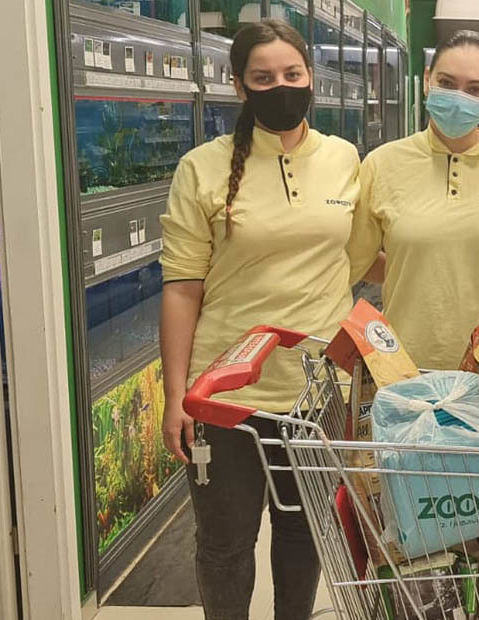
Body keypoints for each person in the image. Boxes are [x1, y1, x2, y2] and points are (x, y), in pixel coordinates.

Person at [159, 20, 360, 620]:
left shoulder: (346, 159)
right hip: (226, 392)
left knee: (305, 536)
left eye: (292, 74)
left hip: (320, 389)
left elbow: (364, 251)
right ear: (240, 87)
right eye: (263, 77)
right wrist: (177, 397)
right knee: (224, 545)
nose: (281, 86)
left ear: (311, 79)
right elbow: (181, 289)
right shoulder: (202, 168)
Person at [347, 31, 479, 370]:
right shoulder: (383, 164)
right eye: (447, 82)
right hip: (405, 366)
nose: (459, 97)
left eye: (474, 89)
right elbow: (356, 260)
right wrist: (417, 267)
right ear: (427, 80)